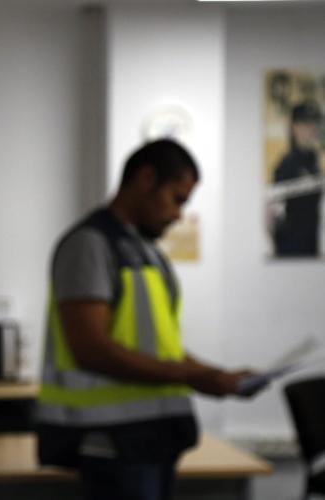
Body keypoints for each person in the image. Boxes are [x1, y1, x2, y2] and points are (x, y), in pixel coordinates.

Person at [36, 139, 261, 500]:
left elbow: (161, 348)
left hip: (152, 438)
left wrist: (218, 377)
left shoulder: (148, 254)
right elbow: (90, 348)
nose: (178, 215)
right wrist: (195, 377)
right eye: (176, 199)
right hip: (112, 442)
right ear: (146, 179)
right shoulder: (89, 245)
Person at [273, 101, 323, 257]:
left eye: (314, 124)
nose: (311, 129)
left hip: (313, 245)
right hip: (291, 248)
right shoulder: (287, 165)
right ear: (295, 127)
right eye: (306, 124)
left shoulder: (314, 161)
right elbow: (275, 211)